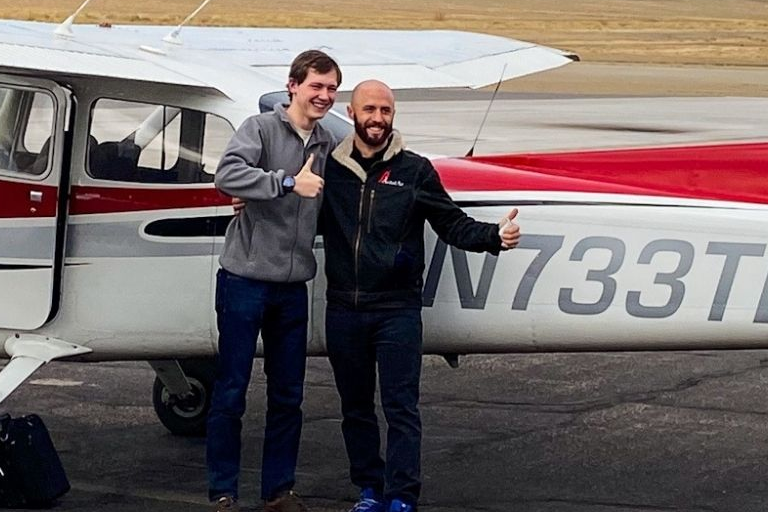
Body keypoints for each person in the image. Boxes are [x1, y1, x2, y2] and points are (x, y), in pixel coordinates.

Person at [320, 80, 521, 512]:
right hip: (343, 307)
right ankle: (370, 490)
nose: (378, 118)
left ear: (393, 116)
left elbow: (451, 223)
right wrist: (253, 200)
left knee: (401, 408)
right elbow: (298, 217)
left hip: (396, 309)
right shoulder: (327, 169)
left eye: (386, 111)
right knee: (355, 408)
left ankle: (402, 496)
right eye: (369, 109)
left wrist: (493, 236)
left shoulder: (415, 170)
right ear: (352, 112)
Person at [208, 49, 341, 512]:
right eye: (315, 87)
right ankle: (223, 491)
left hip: (292, 287)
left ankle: (278, 491)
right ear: (293, 86)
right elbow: (227, 173)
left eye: (330, 89)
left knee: (289, 395)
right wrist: (285, 183)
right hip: (245, 280)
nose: (323, 96)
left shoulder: (326, 144)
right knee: (231, 389)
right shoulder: (259, 128)